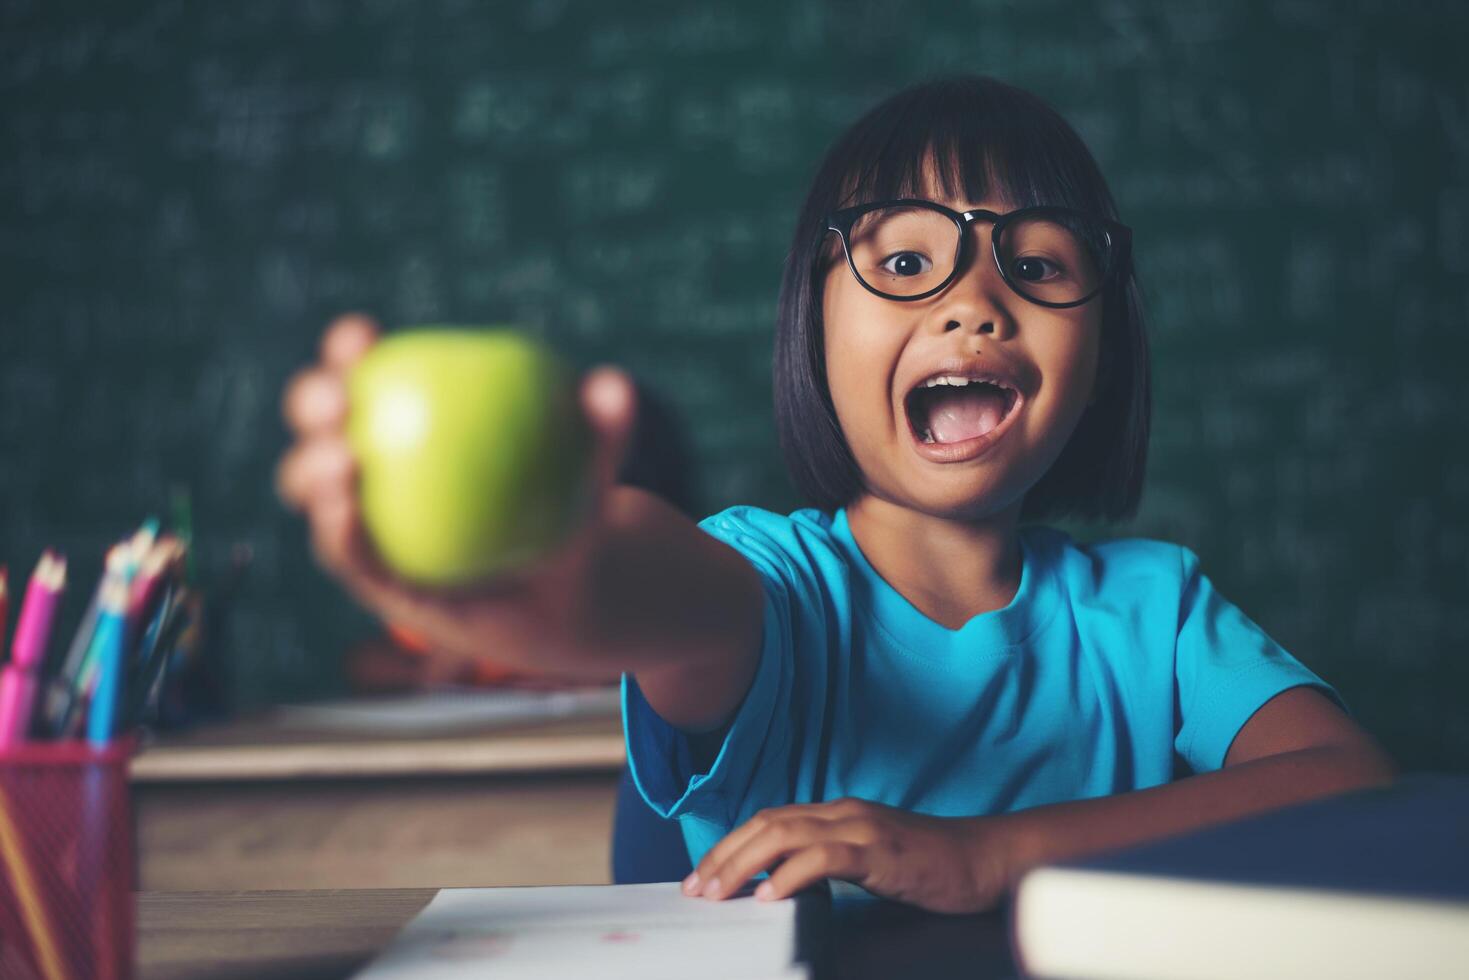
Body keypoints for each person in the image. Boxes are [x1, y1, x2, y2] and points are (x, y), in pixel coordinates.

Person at [275, 75, 1395, 914]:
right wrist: (541, 573)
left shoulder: (1154, 611)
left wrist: (985, 853)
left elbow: (1347, 777)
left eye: (1040, 265)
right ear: (811, 328)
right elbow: (648, 586)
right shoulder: (775, 585)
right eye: (904, 263)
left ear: (1107, 347)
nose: (974, 300)